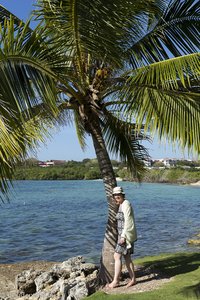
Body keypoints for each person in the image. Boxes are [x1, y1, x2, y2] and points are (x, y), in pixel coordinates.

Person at [108, 186, 137, 288]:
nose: (117, 197)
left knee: (117, 256)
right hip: (122, 236)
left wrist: (124, 236)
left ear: (122, 195)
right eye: (115, 195)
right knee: (127, 257)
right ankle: (133, 279)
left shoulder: (126, 204)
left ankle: (116, 281)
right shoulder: (120, 205)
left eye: (118, 195)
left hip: (125, 236)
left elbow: (128, 221)